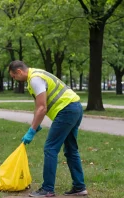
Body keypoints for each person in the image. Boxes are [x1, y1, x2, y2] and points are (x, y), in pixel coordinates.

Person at [8, 60, 87, 197]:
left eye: (14, 77)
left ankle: (47, 189)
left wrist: (32, 131)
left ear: (19, 71)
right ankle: (79, 187)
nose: (15, 80)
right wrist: (35, 124)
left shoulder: (35, 79)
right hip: (75, 107)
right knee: (71, 149)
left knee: (50, 148)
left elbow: (42, 107)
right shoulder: (36, 75)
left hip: (66, 110)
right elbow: (38, 106)